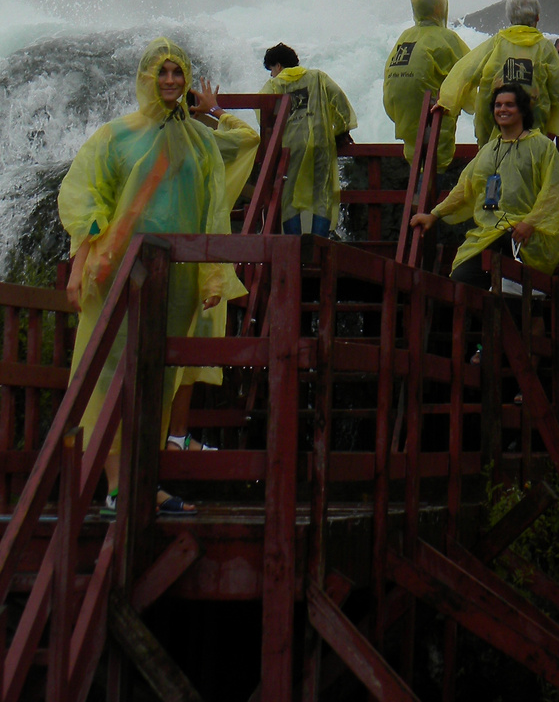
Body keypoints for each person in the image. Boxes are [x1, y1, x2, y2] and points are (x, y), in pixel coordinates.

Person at [57, 38, 250, 514]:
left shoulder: (202, 142)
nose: (170, 81)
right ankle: (117, 487)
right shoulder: (116, 136)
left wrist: (211, 278)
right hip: (116, 271)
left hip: (177, 278)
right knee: (107, 376)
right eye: (162, 73)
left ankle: (142, 486)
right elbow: (85, 199)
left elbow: (213, 212)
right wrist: (81, 267)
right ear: (146, 78)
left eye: (177, 72)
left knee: (158, 379)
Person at [168, 77, 260, 452]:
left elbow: (251, 140)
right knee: (181, 349)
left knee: (180, 350)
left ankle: (173, 435)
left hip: (171, 252)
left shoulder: (188, 140)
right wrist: (214, 110)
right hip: (190, 253)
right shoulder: (201, 141)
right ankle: (172, 435)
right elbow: (249, 138)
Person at [409, 81, 559, 288]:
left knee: (519, 299)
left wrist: (531, 223)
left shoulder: (542, 147)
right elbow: (464, 189)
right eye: (498, 105)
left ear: (522, 109)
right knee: (461, 281)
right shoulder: (488, 150)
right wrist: (435, 214)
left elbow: (555, 191)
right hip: (488, 234)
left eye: (509, 105)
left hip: (526, 235)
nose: (502, 109)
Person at [437, 0, 559, 147]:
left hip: (494, 125)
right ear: (537, 17)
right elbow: (558, 92)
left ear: (509, 17)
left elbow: (466, 71)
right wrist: (554, 125)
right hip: (532, 129)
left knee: (493, 161)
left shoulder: (497, 43)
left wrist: (447, 102)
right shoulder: (546, 48)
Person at [261, 44, 357, 236]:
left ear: (278, 66)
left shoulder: (273, 86)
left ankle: (294, 245)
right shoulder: (318, 77)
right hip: (321, 144)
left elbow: (263, 116)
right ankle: (317, 244)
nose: (271, 75)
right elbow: (339, 100)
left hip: (290, 148)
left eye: (271, 69)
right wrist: (340, 129)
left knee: (288, 197)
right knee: (322, 194)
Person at [383, 0, 470, 171]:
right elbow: (471, 69)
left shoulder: (405, 37)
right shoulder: (446, 38)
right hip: (434, 124)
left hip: (403, 118)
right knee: (437, 169)